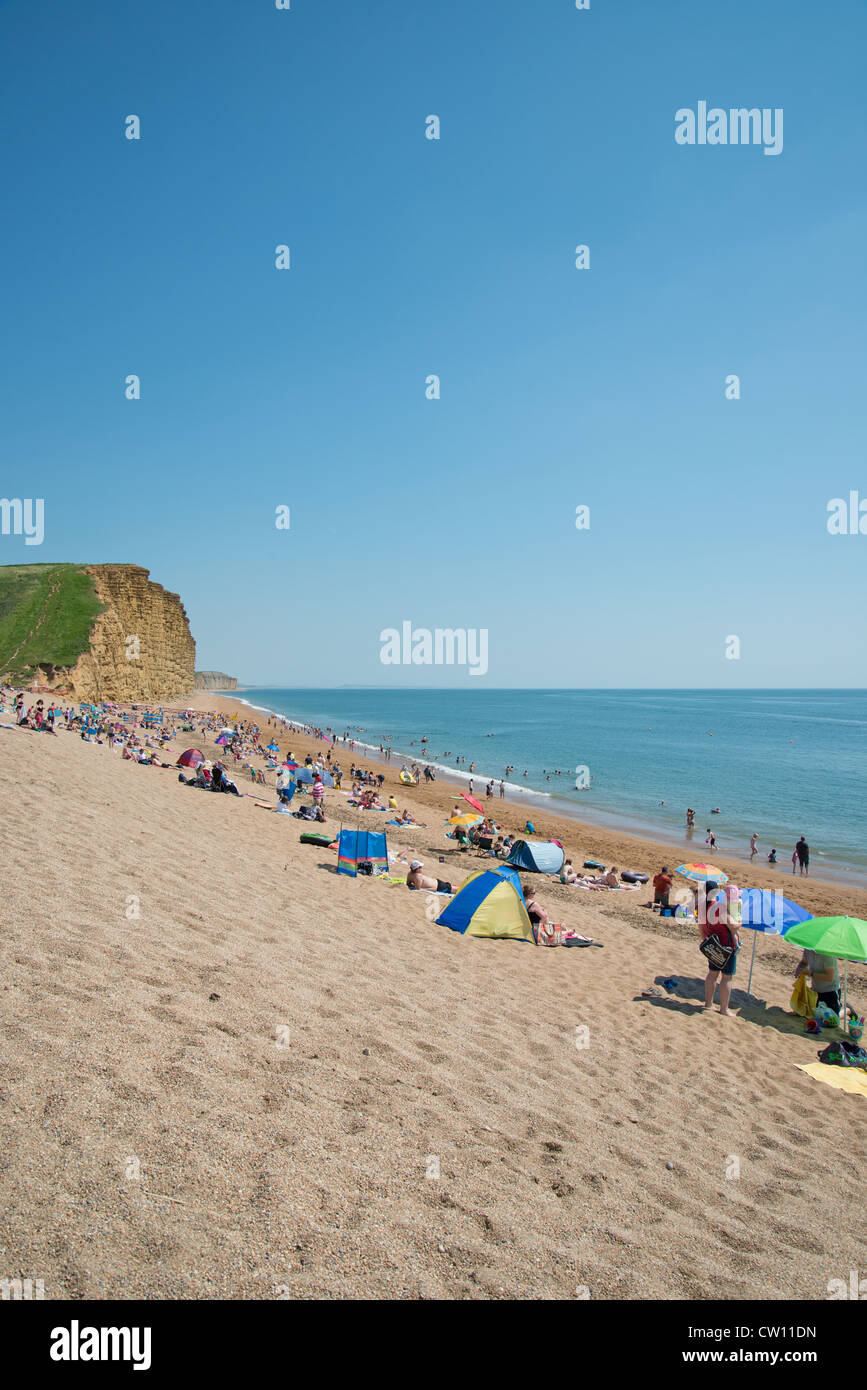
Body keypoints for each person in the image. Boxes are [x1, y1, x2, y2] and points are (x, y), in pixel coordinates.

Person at [699, 880, 740, 1017]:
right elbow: (732, 926)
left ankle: (708, 1003)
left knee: (712, 974)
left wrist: (706, 940)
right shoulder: (718, 907)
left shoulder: (702, 907)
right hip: (726, 946)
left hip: (713, 945)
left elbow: (701, 928)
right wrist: (741, 921)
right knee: (727, 977)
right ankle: (724, 1009)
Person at [795, 949, 841, 1016]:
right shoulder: (808, 949)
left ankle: (847, 1010)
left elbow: (830, 977)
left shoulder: (828, 955)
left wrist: (810, 973)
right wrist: (799, 968)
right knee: (812, 1015)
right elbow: (804, 962)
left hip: (830, 990)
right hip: (816, 990)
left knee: (832, 1019)